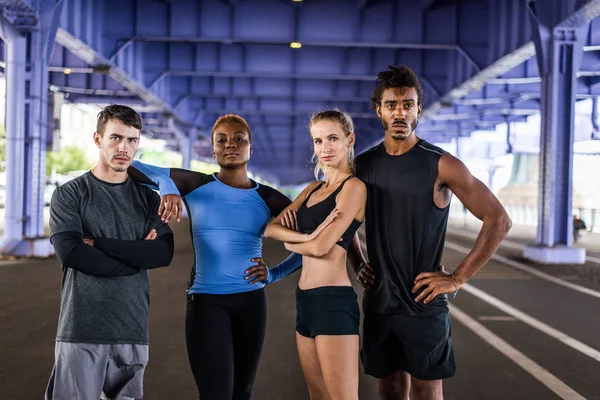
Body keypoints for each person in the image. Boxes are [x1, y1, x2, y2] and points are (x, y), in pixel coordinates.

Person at [348, 65, 512, 400]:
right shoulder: (362, 167)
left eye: (408, 104)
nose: (400, 112)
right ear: (378, 109)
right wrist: (357, 260)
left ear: (418, 110)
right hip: (380, 300)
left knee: (426, 392)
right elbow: (340, 218)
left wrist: (457, 279)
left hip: (423, 301)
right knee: (390, 389)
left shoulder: (441, 164)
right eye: (392, 104)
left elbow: (498, 219)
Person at [127, 114, 303, 400]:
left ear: (250, 148)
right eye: (221, 140)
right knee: (215, 394)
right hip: (207, 303)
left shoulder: (270, 198)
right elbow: (132, 166)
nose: (230, 144)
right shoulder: (194, 183)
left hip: (252, 303)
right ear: (213, 149)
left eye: (238, 138)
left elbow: (312, 243)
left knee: (242, 392)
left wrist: (274, 274)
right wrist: (169, 187)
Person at [45, 105, 175, 400]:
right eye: (115, 137)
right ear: (97, 138)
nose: (123, 147)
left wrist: (98, 243)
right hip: (81, 331)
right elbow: (72, 254)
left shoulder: (147, 199)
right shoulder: (71, 194)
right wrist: (135, 258)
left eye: (132, 140)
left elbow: (162, 254)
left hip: (132, 331)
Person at [264, 109, 367, 400]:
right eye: (318, 141)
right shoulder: (312, 190)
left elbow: (323, 249)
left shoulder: (354, 188)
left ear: (349, 139)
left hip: (333, 301)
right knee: (317, 395)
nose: (325, 148)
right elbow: (271, 229)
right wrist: (308, 236)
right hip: (305, 300)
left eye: (333, 138)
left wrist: (294, 242)